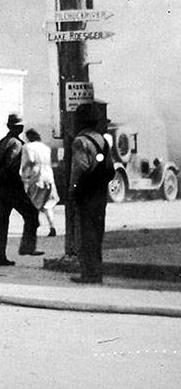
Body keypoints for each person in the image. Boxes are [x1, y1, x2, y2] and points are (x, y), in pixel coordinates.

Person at [0, 113, 42, 266]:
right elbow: (12, 166)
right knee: (31, 213)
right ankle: (28, 247)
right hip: (9, 187)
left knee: (2, 219)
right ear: (20, 127)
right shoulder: (16, 144)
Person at [69, 104, 112, 284]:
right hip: (100, 192)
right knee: (97, 231)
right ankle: (97, 272)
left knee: (85, 234)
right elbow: (110, 168)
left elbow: (79, 169)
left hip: (86, 192)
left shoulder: (80, 141)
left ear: (81, 121)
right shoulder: (102, 140)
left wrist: (73, 190)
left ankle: (88, 274)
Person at [20, 128, 58, 237]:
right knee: (48, 204)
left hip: (36, 176)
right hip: (48, 175)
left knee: (33, 202)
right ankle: (52, 226)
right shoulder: (45, 147)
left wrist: (24, 175)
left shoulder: (27, 147)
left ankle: (34, 226)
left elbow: (29, 161)